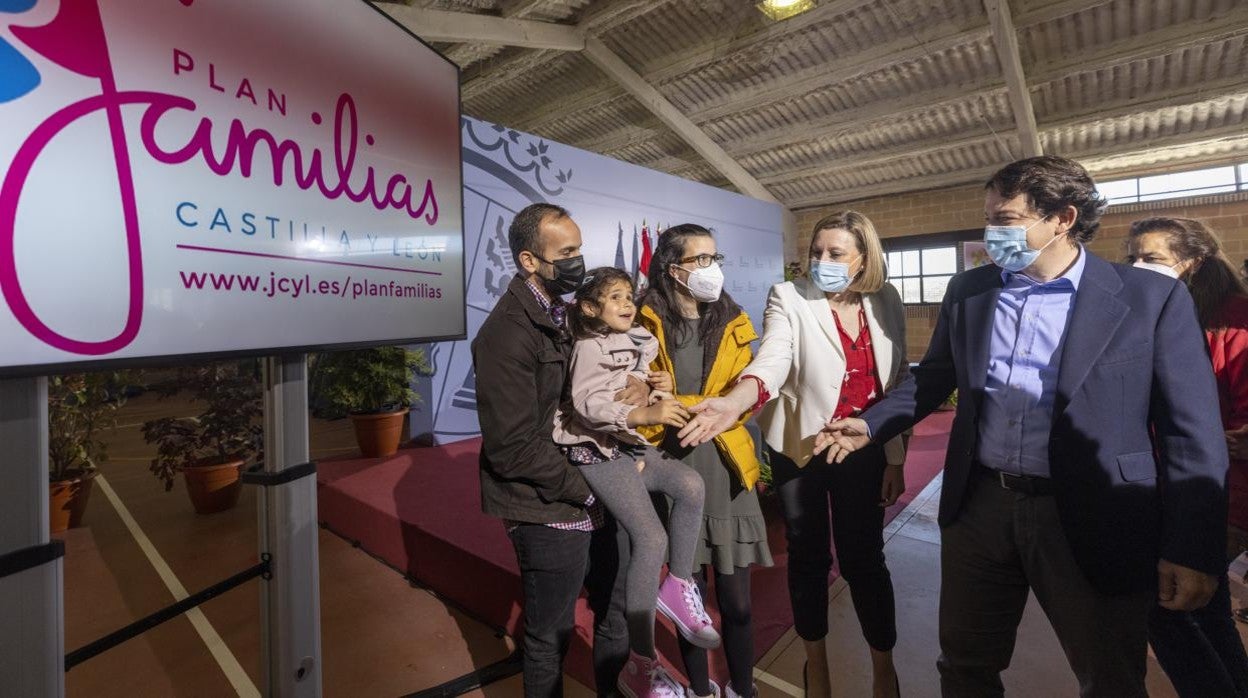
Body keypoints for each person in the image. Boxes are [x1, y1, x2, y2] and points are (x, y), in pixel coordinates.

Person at [808, 156, 1228, 697]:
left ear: (1063, 218)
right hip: (981, 507)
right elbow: (933, 377)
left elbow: (1190, 432)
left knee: (1110, 677)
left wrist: (1192, 547)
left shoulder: (1149, 298)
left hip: (1093, 514)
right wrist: (869, 425)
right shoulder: (970, 291)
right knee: (964, 666)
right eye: (990, 218)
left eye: (1005, 220)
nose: (991, 234)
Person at [673, 212, 909, 698]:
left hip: (860, 447)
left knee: (865, 557)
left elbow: (897, 382)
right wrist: (739, 400)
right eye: (816, 252)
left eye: (835, 253)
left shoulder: (887, 300)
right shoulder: (789, 296)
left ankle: (883, 665)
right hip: (800, 448)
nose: (821, 261)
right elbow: (774, 357)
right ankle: (815, 663)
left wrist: (895, 458)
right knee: (808, 556)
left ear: (863, 257)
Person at [474, 203, 645, 697]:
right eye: (566, 253)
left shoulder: (566, 314)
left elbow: (599, 375)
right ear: (530, 261)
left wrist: (636, 380)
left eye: (579, 249)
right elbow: (511, 448)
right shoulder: (506, 333)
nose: (578, 262)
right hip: (547, 502)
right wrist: (592, 490)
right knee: (550, 635)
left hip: (592, 479)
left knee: (613, 606)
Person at [552, 265, 718, 698]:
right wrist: (644, 413)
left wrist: (655, 386)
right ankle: (641, 665)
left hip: (626, 443)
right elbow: (588, 404)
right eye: (615, 298)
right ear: (590, 308)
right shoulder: (588, 345)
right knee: (649, 537)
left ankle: (678, 587)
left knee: (691, 486)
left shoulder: (636, 337)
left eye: (629, 296)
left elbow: (636, 380)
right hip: (596, 447)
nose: (627, 304)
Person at [636, 224, 775, 698]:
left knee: (737, 604)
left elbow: (748, 396)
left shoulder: (733, 320)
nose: (712, 268)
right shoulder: (642, 320)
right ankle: (699, 689)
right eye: (701, 259)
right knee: (687, 601)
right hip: (674, 470)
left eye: (716, 258)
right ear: (674, 269)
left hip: (726, 472)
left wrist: (708, 404)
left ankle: (744, 688)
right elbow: (633, 395)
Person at [1126, 216, 1248, 697]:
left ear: (1194, 263)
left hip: (1216, 496)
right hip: (1165, 490)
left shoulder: (1232, 319)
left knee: (1168, 613)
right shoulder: (1157, 315)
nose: (1137, 267)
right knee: (1209, 614)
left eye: (1152, 259)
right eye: (1131, 257)